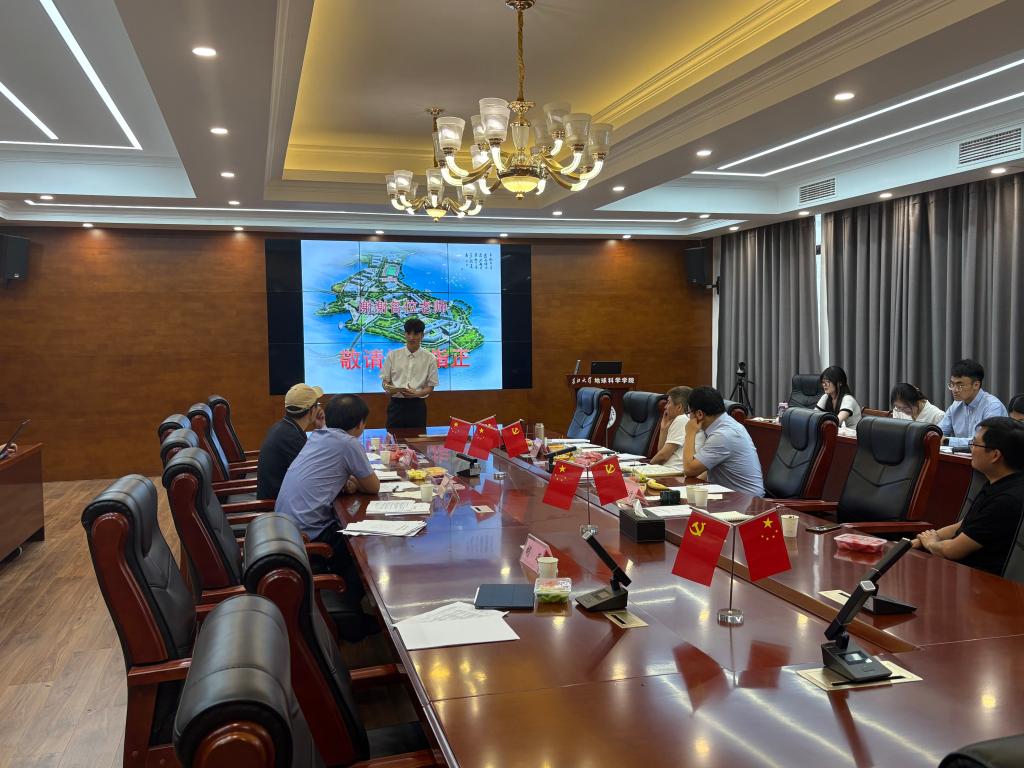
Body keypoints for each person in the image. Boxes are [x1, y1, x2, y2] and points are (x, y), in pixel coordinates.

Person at [274, 394, 380, 638]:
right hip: (308, 534)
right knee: (364, 545)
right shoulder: (348, 443)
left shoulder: (318, 436)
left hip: (287, 526)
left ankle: (351, 606)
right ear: (360, 424)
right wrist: (354, 483)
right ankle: (350, 618)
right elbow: (373, 486)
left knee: (354, 535)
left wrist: (347, 482)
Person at [913, 417, 1024, 575]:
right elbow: (964, 524)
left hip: (982, 580)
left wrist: (930, 543)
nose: (971, 448)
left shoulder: (1007, 500)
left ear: (995, 455)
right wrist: (923, 539)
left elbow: (952, 551)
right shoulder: (998, 482)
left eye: (975, 443)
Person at [681, 386, 765, 497]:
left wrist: (690, 433)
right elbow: (706, 468)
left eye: (689, 413)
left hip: (747, 502)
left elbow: (689, 469)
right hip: (733, 497)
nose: (689, 417)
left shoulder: (723, 435)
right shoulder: (725, 425)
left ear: (699, 414)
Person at [256, 383, 325, 500]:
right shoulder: (292, 438)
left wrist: (320, 429)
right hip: (278, 506)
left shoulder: (284, 427)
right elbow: (316, 476)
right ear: (312, 410)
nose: (319, 408)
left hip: (284, 498)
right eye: (317, 405)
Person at [381, 317, 439, 432]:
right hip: (396, 405)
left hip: (417, 405)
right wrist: (389, 389)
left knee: (417, 438)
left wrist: (417, 393)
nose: (411, 337)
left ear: (422, 335)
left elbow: (430, 387)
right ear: (405, 334)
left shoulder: (430, 358)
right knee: (393, 438)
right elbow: (385, 381)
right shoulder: (393, 355)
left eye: (416, 334)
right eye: (408, 333)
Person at [937, 359, 1007, 448]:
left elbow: (984, 442)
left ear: (976, 385)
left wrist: (947, 441)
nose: (954, 390)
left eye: (960, 385)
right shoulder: (956, 405)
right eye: (952, 384)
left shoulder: (993, 406)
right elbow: (938, 433)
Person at [649, 386, 691, 470]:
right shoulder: (685, 419)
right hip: (669, 470)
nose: (665, 407)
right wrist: (663, 429)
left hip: (675, 472)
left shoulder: (682, 419)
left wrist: (646, 467)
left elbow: (662, 456)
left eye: (668, 402)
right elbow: (661, 452)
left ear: (679, 407)